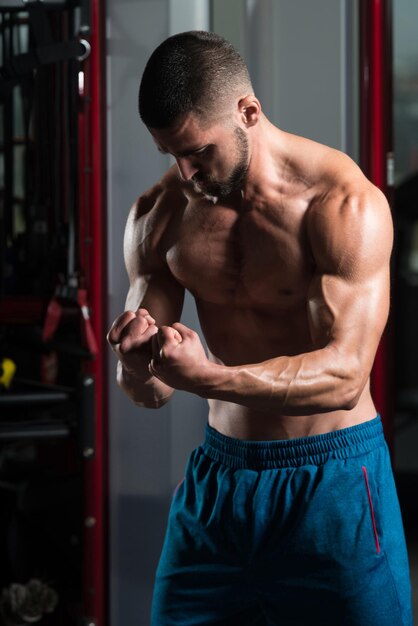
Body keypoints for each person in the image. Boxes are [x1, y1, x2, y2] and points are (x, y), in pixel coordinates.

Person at [107, 31, 412, 626]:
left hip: (335, 482)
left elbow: (345, 377)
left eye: (198, 151)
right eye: (171, 155)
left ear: (249, 112)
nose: (187, 173)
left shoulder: (344, 205)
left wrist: (210, 378)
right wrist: (138, 360)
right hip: (221, 484)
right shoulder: (159, 216)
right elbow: (150, 392)